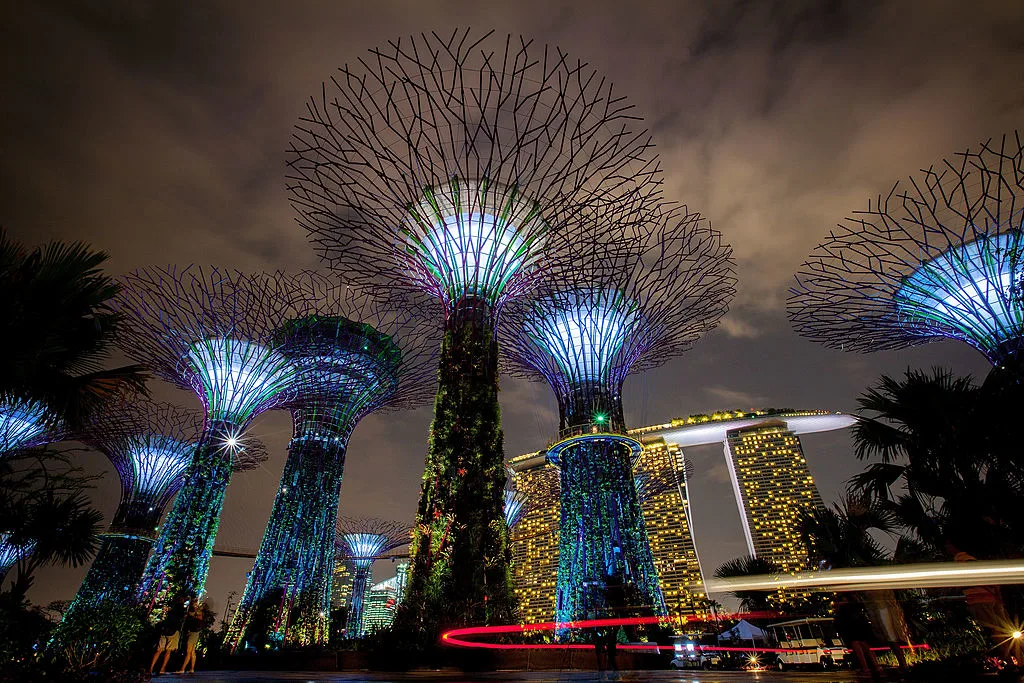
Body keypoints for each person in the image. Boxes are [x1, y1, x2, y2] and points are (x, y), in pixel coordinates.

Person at [150, 596, 187, 676]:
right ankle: (162, 669)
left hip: (165, 630)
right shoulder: (181, 610)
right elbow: (181, 620)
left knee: (159, 650)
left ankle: (150, 668)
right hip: (173, 631)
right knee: (168, 651)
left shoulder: (171, 609)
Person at [178, 600, 212, 674]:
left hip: (193, 633)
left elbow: (194, 618)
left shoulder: (196, 614)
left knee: (189, 651)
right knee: (192, 652)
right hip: (195, 633)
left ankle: (182, 668)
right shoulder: (197, 613)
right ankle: (192, 668)